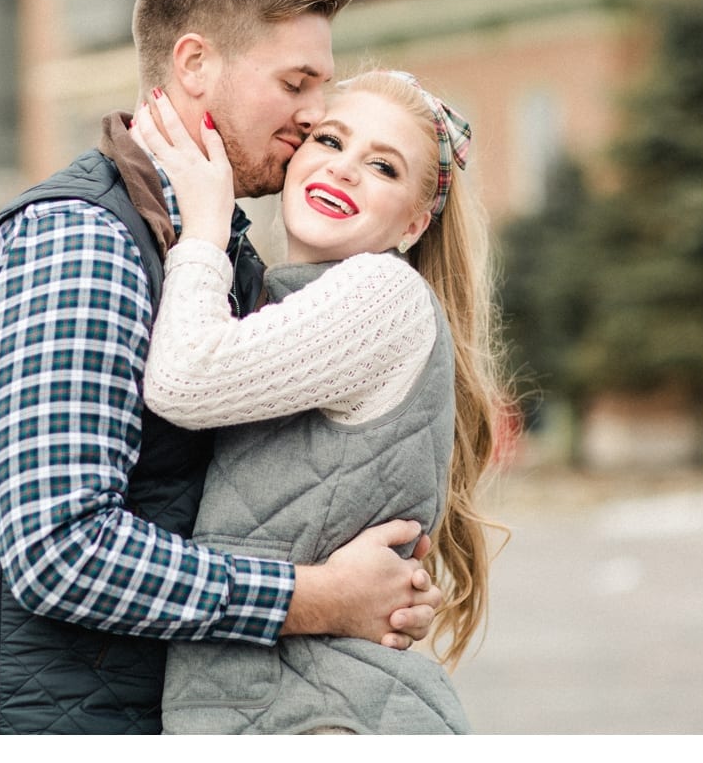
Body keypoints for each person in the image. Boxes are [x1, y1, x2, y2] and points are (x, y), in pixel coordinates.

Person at [0, 0, 446, 734]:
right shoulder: (84, 244)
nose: (316, 116)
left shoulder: (206, 243)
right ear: (195, 64)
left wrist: (387, 581)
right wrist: (321, 599)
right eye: (297, 83)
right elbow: (63, 553)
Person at [132, 68, 507, 734]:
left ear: (415, 222)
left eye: (383, 167)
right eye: (330, 141)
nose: (345, 170)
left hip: (327, 720)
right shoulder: (279, 301)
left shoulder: (380, 296)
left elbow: (182, 381)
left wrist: (204, 225)